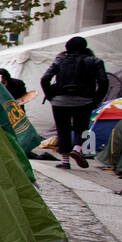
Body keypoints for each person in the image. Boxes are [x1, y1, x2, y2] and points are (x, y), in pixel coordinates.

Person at [41, 36, 108, 169]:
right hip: (84, 100)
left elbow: (45, 79)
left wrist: (50, 96)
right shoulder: (95, 61)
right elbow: (103, 82)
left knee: (62, 129)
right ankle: (77, 149)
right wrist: (96, 99)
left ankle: (65, 161)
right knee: (81, 128)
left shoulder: (60, 60)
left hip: (59, 101)